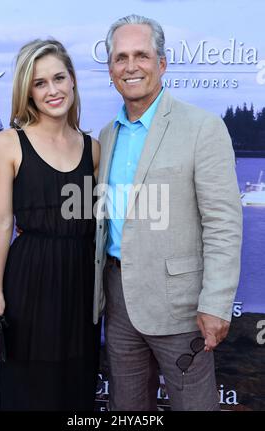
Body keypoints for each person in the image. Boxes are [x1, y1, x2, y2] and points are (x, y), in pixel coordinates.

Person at [93, 15, 242, 411]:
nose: (130, 65)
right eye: (121, 57)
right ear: (110, 70)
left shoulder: (202, 128)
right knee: (128, 408)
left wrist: (215, 303)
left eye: (141, 55)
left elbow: (223, 225)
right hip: (118, 300)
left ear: (162, 63)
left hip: (182, 307)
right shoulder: (106, 135)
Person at [0, 39, 101, 411]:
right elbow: (1, 220)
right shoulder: (9, 143)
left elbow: (95, 221)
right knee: (29, 386)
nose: (52, 90)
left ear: (73, 81)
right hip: (29, 279)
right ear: (28, 92)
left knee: (75, 384)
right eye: (40, 82)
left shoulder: (92, 149)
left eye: (58, 78)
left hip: (80, 283)